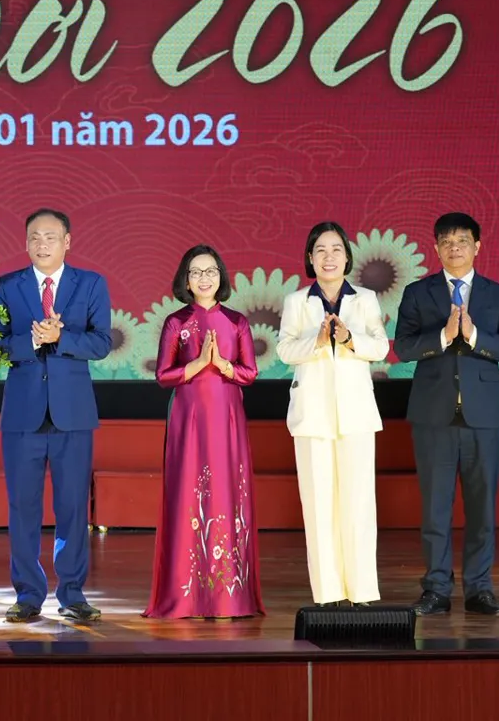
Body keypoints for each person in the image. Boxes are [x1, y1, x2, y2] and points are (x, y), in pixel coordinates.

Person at [392, 211, 499, 617]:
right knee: (435, 508)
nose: (455, 248)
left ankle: (480, 589)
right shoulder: (418, 293)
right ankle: (436, 588)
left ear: (477, 246)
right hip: (434, 416)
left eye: (462, 241)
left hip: (484, 418)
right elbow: (404, 348)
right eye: (446, 242)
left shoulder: (498, 295)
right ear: (436, 248)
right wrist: (444, 336)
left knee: (482, 510)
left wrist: (475, 336)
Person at [0, 208, 112, 625]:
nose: (42, 244)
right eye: (34, 237)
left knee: (73, 508)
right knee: (22, 508)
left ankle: (72, 594)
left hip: (73, 413)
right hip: (22, 414)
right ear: (25, 242)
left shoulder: (91, 284)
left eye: (50, 237)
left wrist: (61, 336)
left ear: (67, 242)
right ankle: (27, 595)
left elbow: (101, 343)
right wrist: (30, 342)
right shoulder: (7, 286)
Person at [145, 244, 264, 619]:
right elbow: (163, 375)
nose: (204, 278)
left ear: (221, 276)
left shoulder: (236, 321)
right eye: (195, 272)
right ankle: (187, 595)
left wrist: (223, 365)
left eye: (210, 271)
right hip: (189, 418)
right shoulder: (176, 322)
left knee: (227, 493)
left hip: (226, 418)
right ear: (185, 280)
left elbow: (249, 373)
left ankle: (228, 596)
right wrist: (197, 364)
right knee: (187, 494)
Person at [277, 222, 387, 607]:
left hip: (356, 413)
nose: (329, 257)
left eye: (336, 249)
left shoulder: (366, 299)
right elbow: (285, 350)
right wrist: (318, 340)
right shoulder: (296, 301)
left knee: (358, 503)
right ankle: (327, 593)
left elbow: (380, 347)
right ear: (310, 257)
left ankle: (361, 591)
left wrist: (349, 339)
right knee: (318, 504)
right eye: (320, 250)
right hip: (312, 414)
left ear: (347, 257)